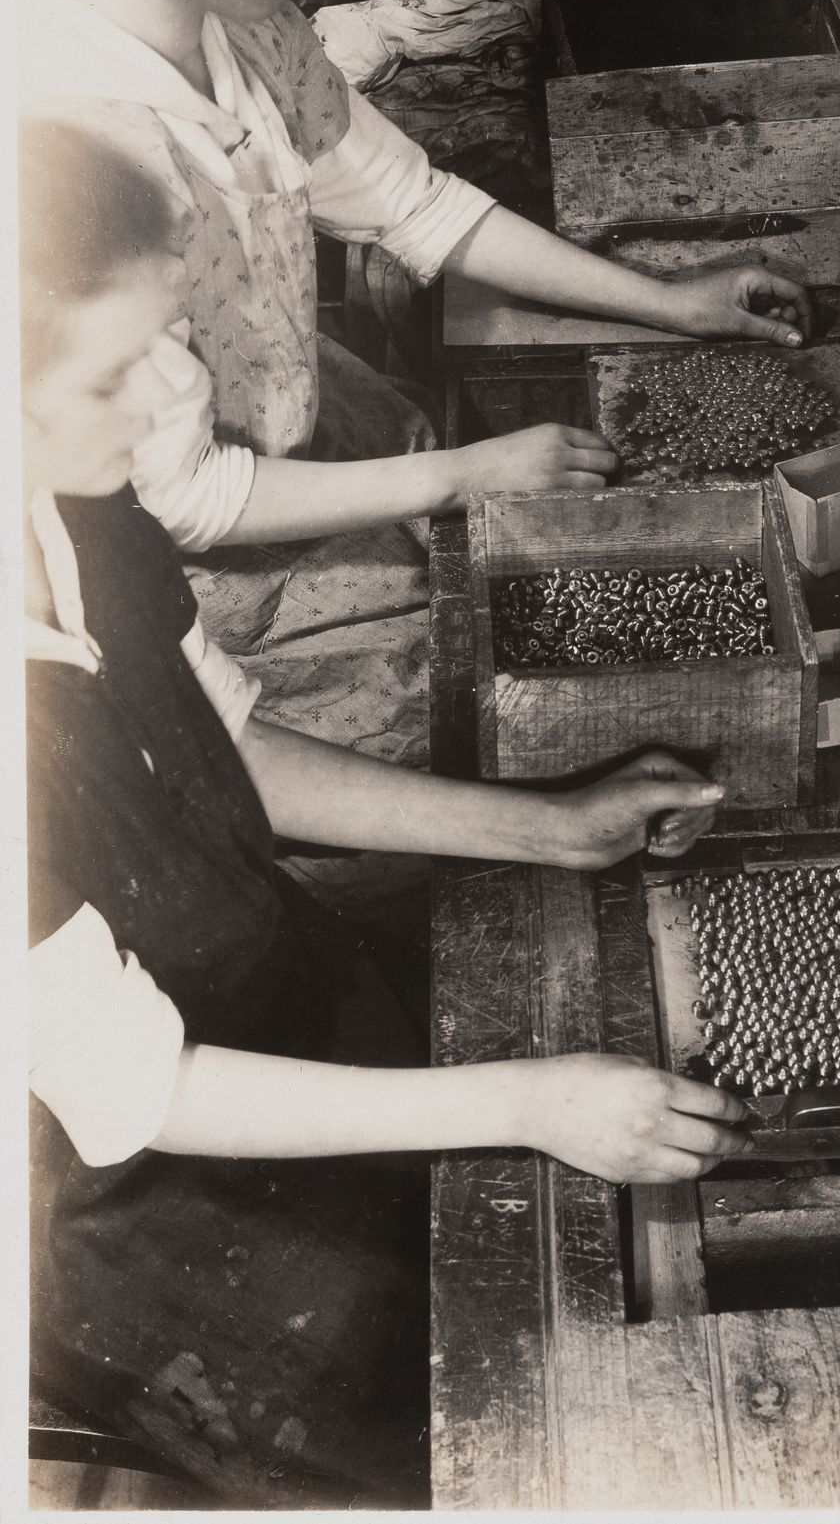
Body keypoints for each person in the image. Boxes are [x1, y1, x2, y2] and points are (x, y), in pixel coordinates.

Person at [22, 121, 750, 1507]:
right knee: (507, 1430)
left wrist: (546, 823)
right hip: (147, 1211)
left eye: (164, 339)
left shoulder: (74, 502)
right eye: (115, 371)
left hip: (272, 994)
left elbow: (221, 743)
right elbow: (142, 1091)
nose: (173, 390)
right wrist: (527, 1101)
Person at [16, 0, 812, 910]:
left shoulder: (243, 28)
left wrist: (669, 302)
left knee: (483, 593)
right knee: (461, 717)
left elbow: (416, 207)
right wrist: (462, 477)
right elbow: (181, 501)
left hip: (301, 427)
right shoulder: (67, 148)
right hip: (183, 569)